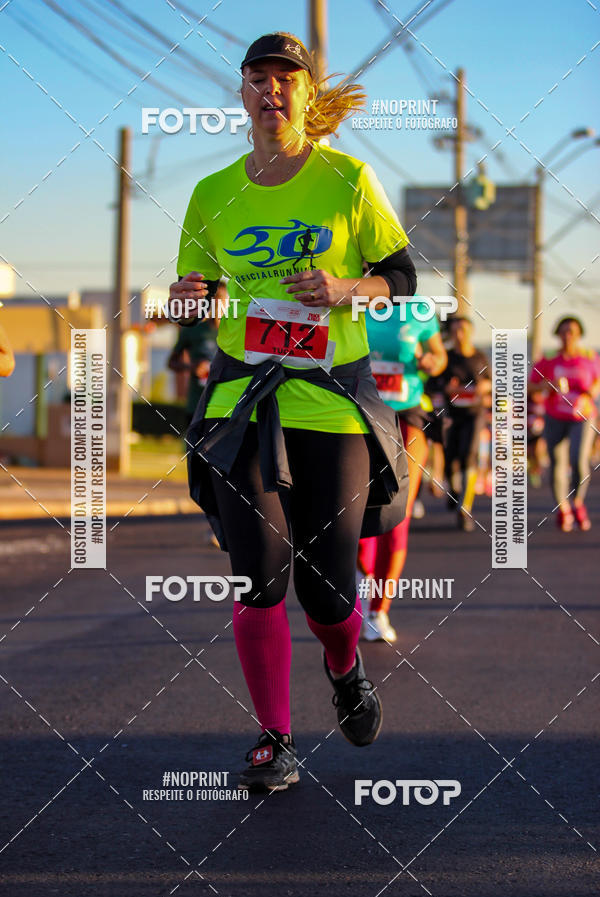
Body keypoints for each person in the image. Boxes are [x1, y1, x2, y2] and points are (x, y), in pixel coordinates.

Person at [169, 32, 416, 791]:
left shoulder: (347, 178)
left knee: (330, 592)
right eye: (257, 79)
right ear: (241, 94)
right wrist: (190, 299)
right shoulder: (212, 193)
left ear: (308, 95)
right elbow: (195, 289)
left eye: (286, 79)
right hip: (245, 399)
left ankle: (345, 670)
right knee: (258, 579)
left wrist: (348, 289)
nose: (271, 90)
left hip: (332, 402)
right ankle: (275, 740)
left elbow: (401, 276)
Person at [357, 300, 447, 641]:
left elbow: (438, 356)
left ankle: (379, 609)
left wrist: (431, 361)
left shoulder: (420, 312)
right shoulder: (349, 301)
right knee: (355, 511)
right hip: (356, 417)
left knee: (398, 513)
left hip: (405, 418)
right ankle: (360, 586)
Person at [530, 316, 600, 531]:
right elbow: (531, 386)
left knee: (579, 460)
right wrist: (546, 386)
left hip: (582, 416)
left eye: (572, 331)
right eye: (564, 331)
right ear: (558, 334)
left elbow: (597, 382)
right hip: (555, 415)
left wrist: (591, 392)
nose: (568, 335)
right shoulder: (549, 358)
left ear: (579, 334)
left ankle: (577, 501)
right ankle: (563, 508)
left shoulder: (589, 356)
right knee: (557, 463)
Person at [441, 316, 491, 531]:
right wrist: (447, 388)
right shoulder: (446, 357)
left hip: (474, 414)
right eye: (455, 330)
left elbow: (490, 381)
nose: (460, 334)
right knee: (450, 456)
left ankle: (465, 507)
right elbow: (435, 382)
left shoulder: (479, 357)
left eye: (463, 329)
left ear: (471, 331)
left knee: (468, 455)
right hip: (451, 414)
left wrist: (484, 388)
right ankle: (453, 488)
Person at [168, 280, 226, 425]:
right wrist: (192, 367)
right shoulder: (193, 330)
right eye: (214, 297)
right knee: (196, 447)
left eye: (222, 297)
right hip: (197, 405)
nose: (218, 301)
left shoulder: (239, 332)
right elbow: (172, 362)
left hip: (227, 406)